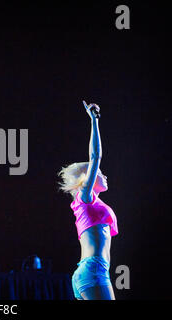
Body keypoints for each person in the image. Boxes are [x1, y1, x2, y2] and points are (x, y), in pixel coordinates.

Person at [58, 101, 118, 300]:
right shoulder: (84, 198)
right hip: (94, 270)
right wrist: (94, 121)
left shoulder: (90, 203)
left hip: (92, 271)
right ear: (87, 178)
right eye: (99, 173)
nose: (104, 175)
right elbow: (95, 156)